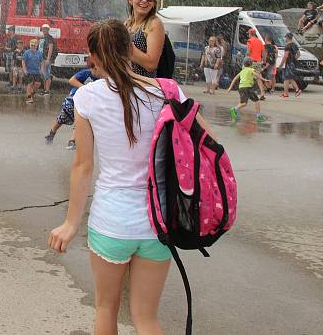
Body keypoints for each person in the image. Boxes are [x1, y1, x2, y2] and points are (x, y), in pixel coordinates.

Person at [49, 20, 213, 334]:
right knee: (147, 318)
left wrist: (71, 223)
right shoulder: (168, 90)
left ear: (93, 56)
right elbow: (207, 142)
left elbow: (83, 166)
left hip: (112, 221)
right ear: (130, 50)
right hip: (159, 222)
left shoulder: (88, 98)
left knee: (106, 309)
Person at [45, 65, 99, 150]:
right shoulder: (85, 73)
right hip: (72, 100)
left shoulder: (101, 78)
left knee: (80, 121)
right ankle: (51, 134)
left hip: (85, 103)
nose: (97, 71)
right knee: (61, 119)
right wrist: (85, 88)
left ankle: (72, 141)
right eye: (95, 68)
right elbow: (71, 80)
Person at [125, 0, 164, 77]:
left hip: (142, 87)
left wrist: (127, 48)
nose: (144, 0)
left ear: (154, 3)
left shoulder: (154, 24)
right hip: (125, 84)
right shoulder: (127, 24)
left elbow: (151, 64)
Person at [227, 58, 267, 122]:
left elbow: (234, 79)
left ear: (244, 64)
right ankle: (235, 109)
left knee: (244, 103)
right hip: (248, 88)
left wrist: (230, 88)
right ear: (251, 64)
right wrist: (264, 79)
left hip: (241, 88)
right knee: (255, 101)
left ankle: (235, 109)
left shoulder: (242, 71)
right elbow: (257, 74)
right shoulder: (251, 69)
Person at [280, 33, 302, 98]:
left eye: (285, 37)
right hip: (293, 63)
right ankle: (297, 90)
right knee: (290, 78)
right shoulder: (295, 45)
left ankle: (286, 93)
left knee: (286, 78)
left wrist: (281, 64)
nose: (285, 39)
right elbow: (299, 54)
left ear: (287, 37)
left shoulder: (287, 46)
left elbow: (285, 56)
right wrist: (295, 58)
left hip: (288, 63)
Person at [22, 38, 44, 104]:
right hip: (29, 71)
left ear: (36, 46)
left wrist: (42, 70)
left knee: (38, 84)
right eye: (32, 45)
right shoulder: (27, 52)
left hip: (37, 71)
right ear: (30, 45)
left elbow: (42, 62)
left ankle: (31, 93)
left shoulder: (39, 53)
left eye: (34, 45)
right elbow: (23, 61)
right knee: (30, 83)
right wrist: (24, 69)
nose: (33, 47)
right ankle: (29, 98)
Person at [39, 23, 56, 95]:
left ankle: (47, 90)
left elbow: (50, 48)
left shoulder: (49, 38)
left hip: (46, 59)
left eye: (46, 29)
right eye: (43, 29)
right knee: (43, 74)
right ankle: (44, 89)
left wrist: (48, 59)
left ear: (48, 30)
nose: (44, 30)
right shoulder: (42, 37)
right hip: (41, 58)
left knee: (47, 74)